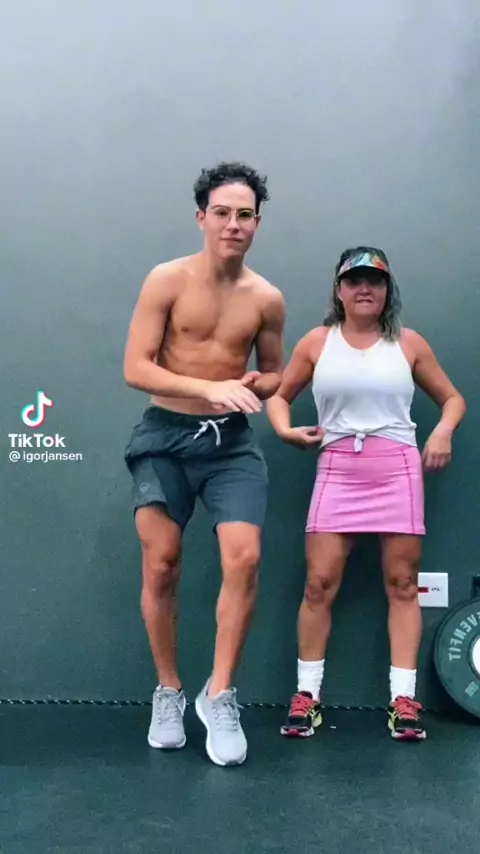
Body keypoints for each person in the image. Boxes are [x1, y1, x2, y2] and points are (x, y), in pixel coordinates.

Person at [266, 246, 466, 742]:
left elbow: (453, 399)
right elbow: (279, 396)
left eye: (374, 281)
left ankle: (404, 702)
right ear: (339, 290)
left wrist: (442, 432)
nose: (364, 289)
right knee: (319, 584)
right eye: (354, 280)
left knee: (402, 584)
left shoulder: (408, 344)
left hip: (397, 469)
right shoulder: (317, 343)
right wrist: (286, 431)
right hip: (337, 468)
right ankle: (307, 696)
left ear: (386, 290)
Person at [122, 162, 285, 766]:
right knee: (162, 563)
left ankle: (219, 696)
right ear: (202, 218)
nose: (233, 224)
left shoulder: (266, 298)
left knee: (245, 557)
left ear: (257, 223)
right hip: (165, 436)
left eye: (244, 215)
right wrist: (207, 387)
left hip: (230, 445)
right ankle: (168, 692)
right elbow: (136, 367)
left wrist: (257, 385)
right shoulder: (166, 280)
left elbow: (273, 371)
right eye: (222, 213)